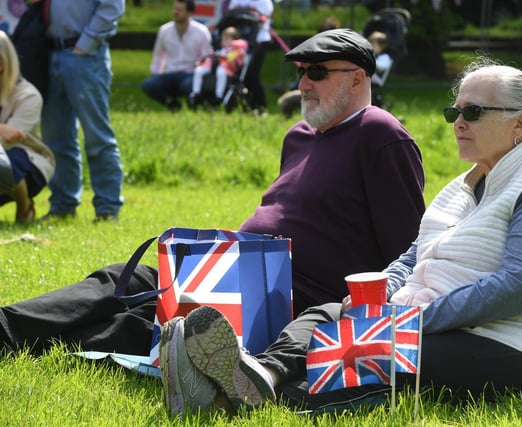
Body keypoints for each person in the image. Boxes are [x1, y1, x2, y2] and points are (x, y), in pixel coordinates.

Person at [159, 55, 522, 417]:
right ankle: (261, 374)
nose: (458, 122)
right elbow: (413, 255)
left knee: (372, 351)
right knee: (330, 311)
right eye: (454, 111)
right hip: (444, 322)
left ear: (520, 124)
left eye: (473, 113)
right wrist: (380, 295)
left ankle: (225, 397)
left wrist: (415, 319)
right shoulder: (462, 186)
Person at [0, 29, 425, 360]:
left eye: (316, 72)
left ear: (356, 79)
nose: (304, 83)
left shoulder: (380, 134)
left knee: (147, 320)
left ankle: (40, 343)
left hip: (293, 300)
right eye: (299, 72)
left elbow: (408, 249)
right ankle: (8, 328)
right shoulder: (299, 135)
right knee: (124, 279)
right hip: (232, 272)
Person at [36, 0, 124, 222]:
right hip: (49, 52)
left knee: (97, 137)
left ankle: (107, 208)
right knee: (55, 138)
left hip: (86, 56)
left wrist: (85, 43)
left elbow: (112, 7)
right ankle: (62, 205)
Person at [0, 31, 54, 224]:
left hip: (26, 162)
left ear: (1, 64)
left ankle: (24, 206)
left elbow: (6, 143)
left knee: (4, 162)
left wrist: (4, 133)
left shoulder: (29, 96)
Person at [141, 0, 212, 112]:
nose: (175, 12)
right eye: (174, 9)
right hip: (171, 74)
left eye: (179, 10)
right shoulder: (164, 30)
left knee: (188, 85)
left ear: (189, 13)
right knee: (149, 84)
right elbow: (158, 55)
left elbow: (207, 57)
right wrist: (157, 74)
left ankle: (194, 106)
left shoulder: (201, 32)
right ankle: (174, 105)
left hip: (191, 74)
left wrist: (201, 70)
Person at [225, 0, 273, 114]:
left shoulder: (264, 2)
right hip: (239, 43)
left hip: (259, 41)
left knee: (252, 75)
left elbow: (267, 17)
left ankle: (261, 106)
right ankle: (247, 106)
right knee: (241, 75)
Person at [188, 26, 248, 110]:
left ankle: (219, 95)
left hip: (227, 69)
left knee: (221, 71)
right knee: (198, 71)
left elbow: (234, 57)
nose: (223, 42)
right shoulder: (221, 49)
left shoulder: (237, 50)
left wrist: (227, 53)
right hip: (213, 67)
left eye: (227, 39)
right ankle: (195, 93)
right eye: (223, 39)